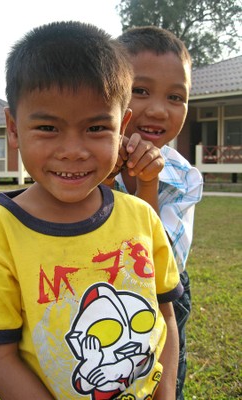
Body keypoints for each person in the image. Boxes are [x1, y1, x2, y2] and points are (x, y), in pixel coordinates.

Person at [0, 21, 183, 400]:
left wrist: (165, 392)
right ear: (13, 128)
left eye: (96, 128)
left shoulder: (141, 217)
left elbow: (166, 316)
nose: (73, 150)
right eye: (48, 127)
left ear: (122, 126)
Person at [109, 26, 203, 400]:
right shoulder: (87, 160)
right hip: (93, 291)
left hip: (161, 297)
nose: (158, 109)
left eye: (176, 97)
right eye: (141, 90)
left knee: (160, 385)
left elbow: (154, 264)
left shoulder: (183, 179)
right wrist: (102, 177)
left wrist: (147, 184)